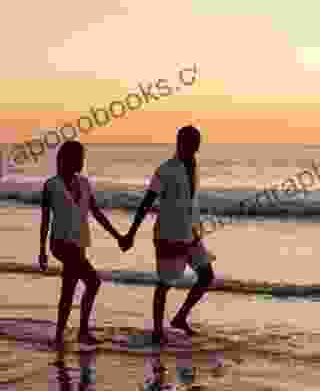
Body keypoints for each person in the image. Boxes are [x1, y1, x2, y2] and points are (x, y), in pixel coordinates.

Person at [120, 125, 215, 344]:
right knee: (165, 283)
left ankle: (180, 317)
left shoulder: (194, 166)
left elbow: (190, 202)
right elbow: (147, 202)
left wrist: (197, 231)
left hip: (191, 234)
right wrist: (131, 233)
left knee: (207, 276)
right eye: (191, 142)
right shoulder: (165, 170)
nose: (195, 147)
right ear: (180, 142)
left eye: (197, 142)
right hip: (168, 235)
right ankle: (157, 331)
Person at [39, 140, 125, 347]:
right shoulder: (51, 185)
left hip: (78, 244)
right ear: (68, 159)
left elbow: (96, 213)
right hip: (60, 243)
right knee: (87, 282)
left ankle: (65, 334)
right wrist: (42, 250)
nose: (82, 161)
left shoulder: (85, 183)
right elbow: (45, 220)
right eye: (79, 158)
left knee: (76, 285)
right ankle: (73, 333)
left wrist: (118, 236)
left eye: (82, 157)